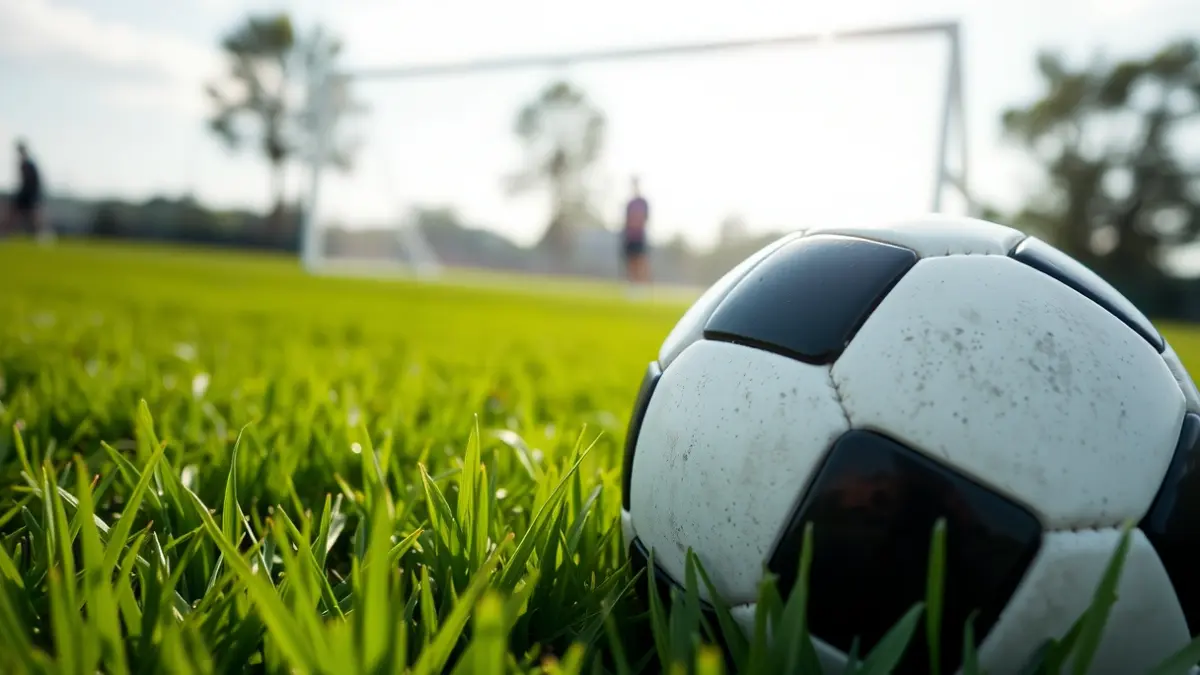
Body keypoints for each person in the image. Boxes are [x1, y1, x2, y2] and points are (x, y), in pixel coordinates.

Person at [4, 139, 50, 242]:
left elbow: (32, 181)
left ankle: (42, 235)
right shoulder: (24, 163)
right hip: (25, 193)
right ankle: (5, 234)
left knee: (34, 217)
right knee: (13, 214)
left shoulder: (29, 164)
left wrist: (32, 194)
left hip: (30, 194)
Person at [622, 176, 650, 285]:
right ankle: (633, 283)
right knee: (631, 261)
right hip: (630, 236)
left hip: (640, 235)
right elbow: (626, 219)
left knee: (641, 260)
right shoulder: (630, 203)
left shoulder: (643, 202)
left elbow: (646, 218)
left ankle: (642, 284)